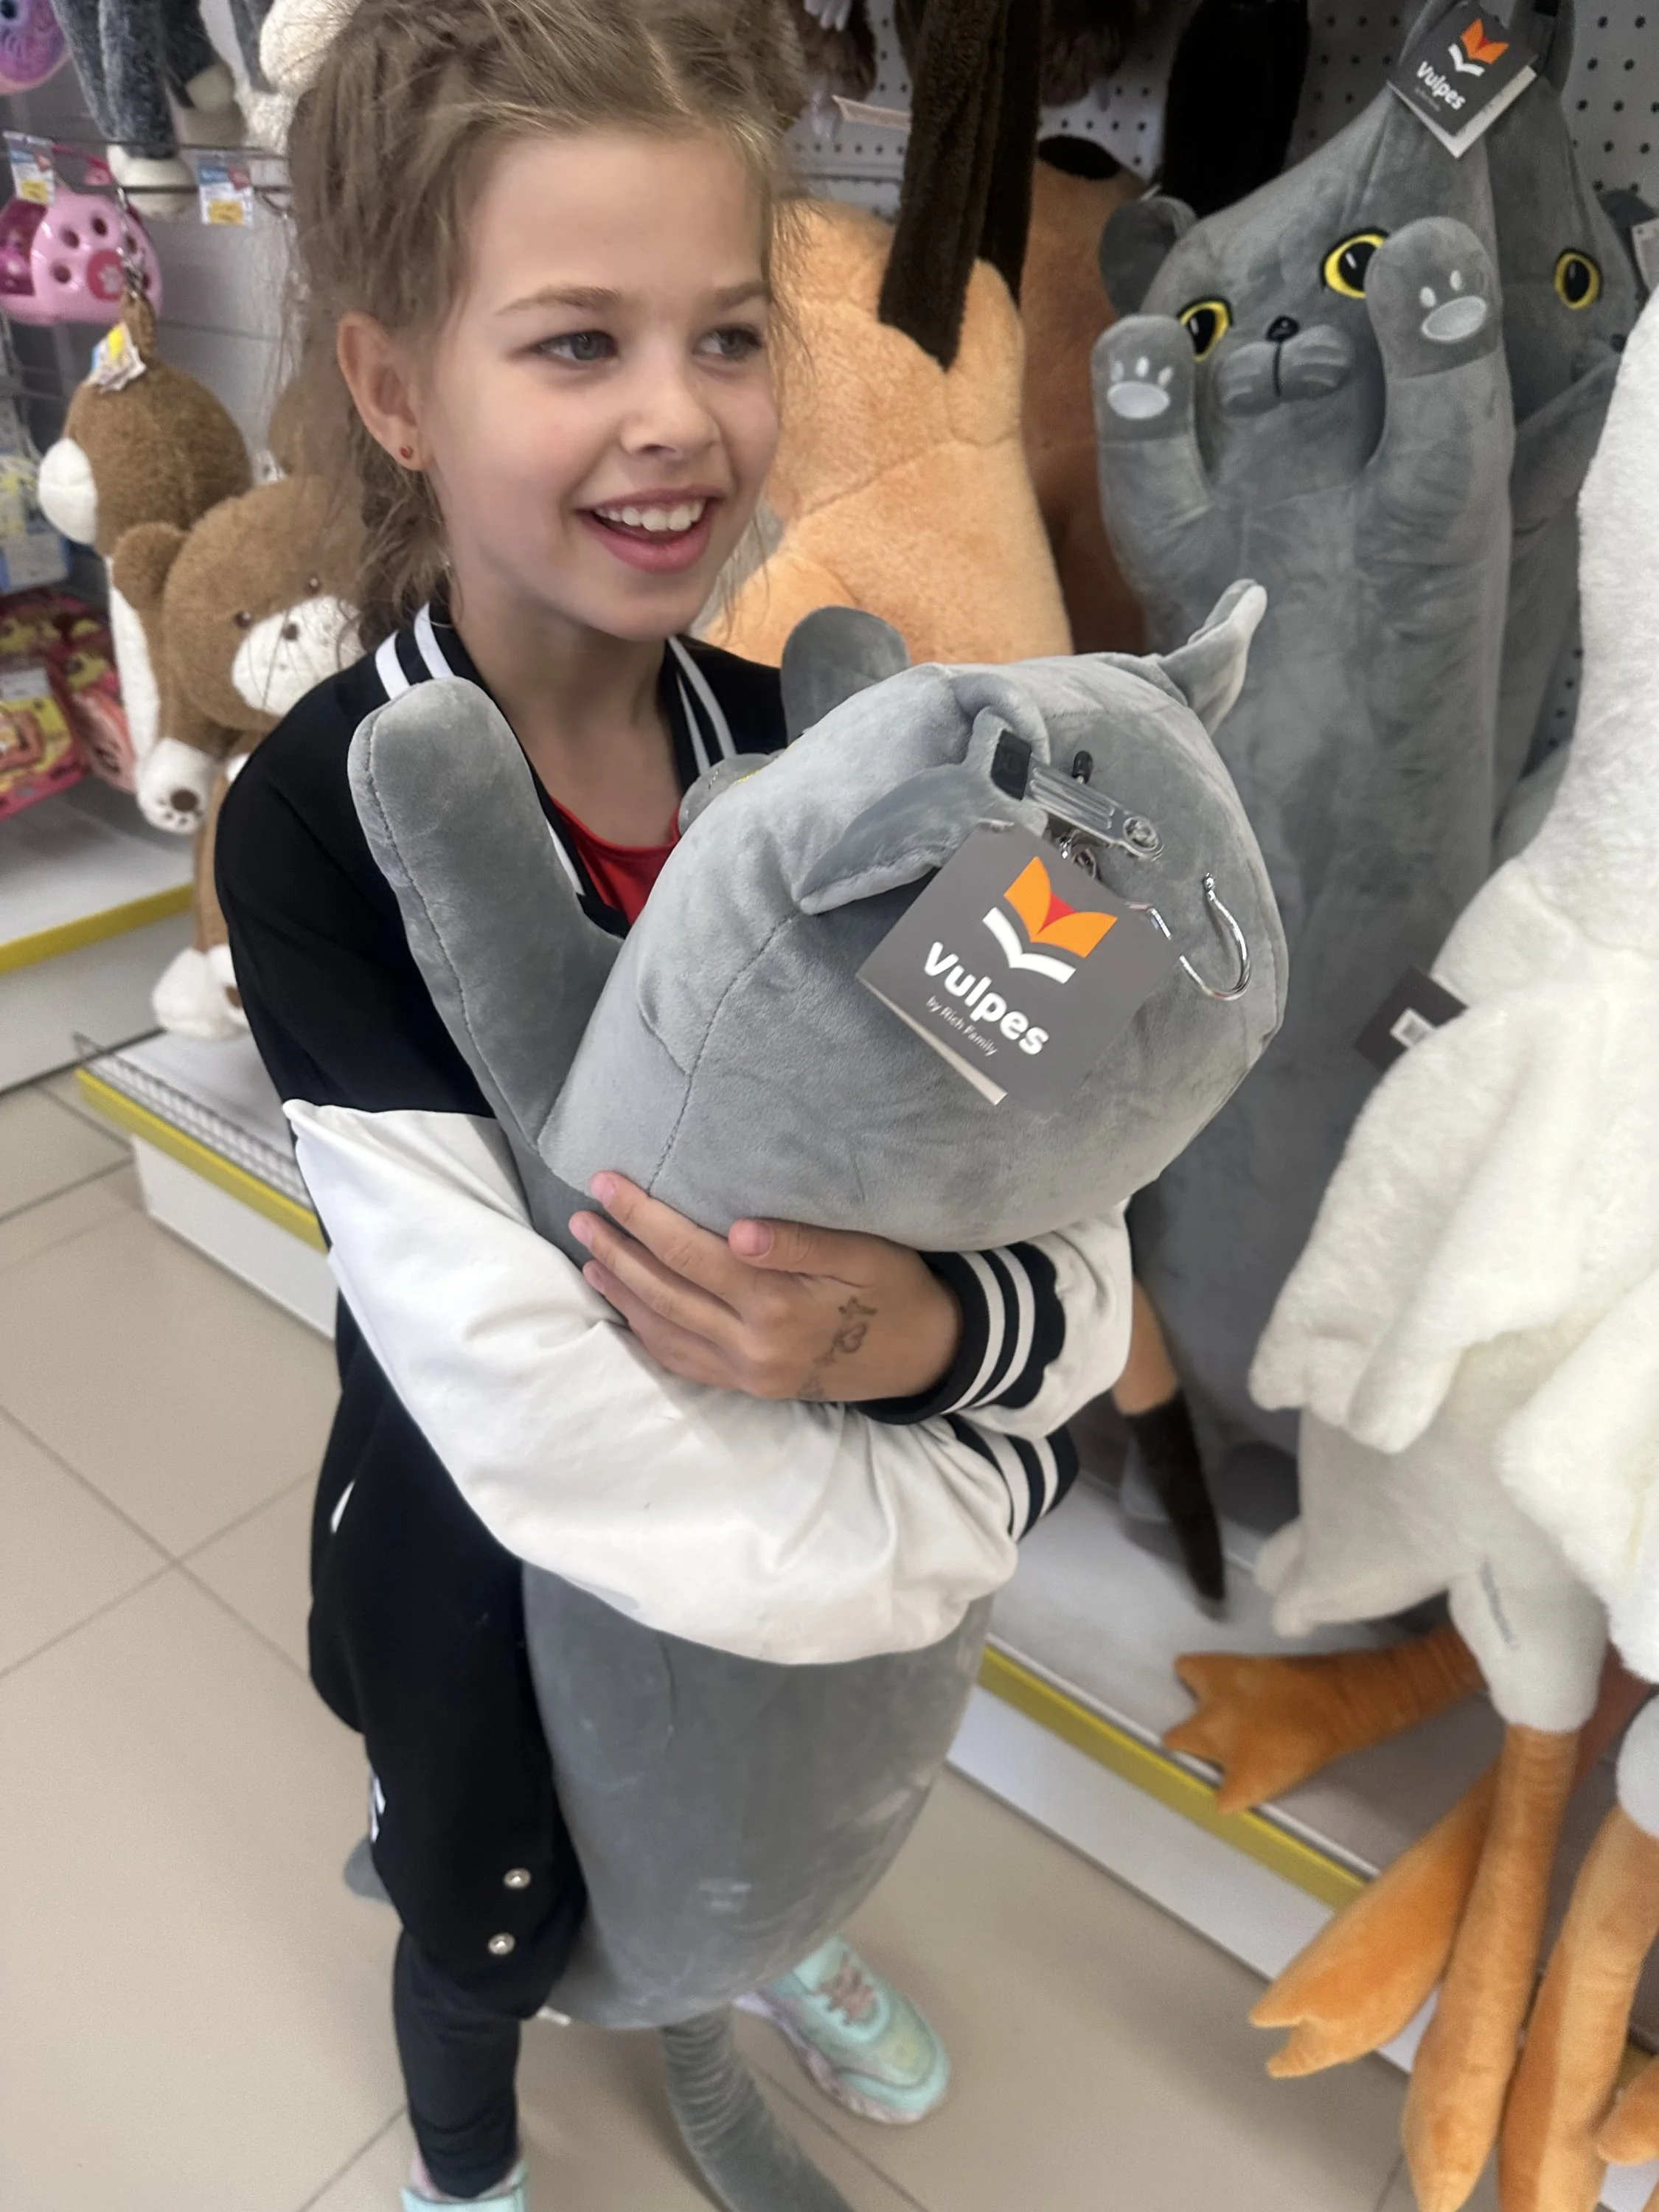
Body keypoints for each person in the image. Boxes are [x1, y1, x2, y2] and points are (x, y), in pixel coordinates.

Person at [218, 4, 1133, 2205]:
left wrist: (931, 1334)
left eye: (727, 334)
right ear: (392, 389)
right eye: (575, 343)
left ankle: (720, 1995)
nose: (676, 416)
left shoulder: (842, 742)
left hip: (812, 1553)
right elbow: (524, 1404)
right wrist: (975, 1509)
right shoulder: (321, 822)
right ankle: (467, 2160)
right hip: (488, 1548)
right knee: (485, 1917)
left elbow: (1076, 1214)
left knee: (737, 1840)